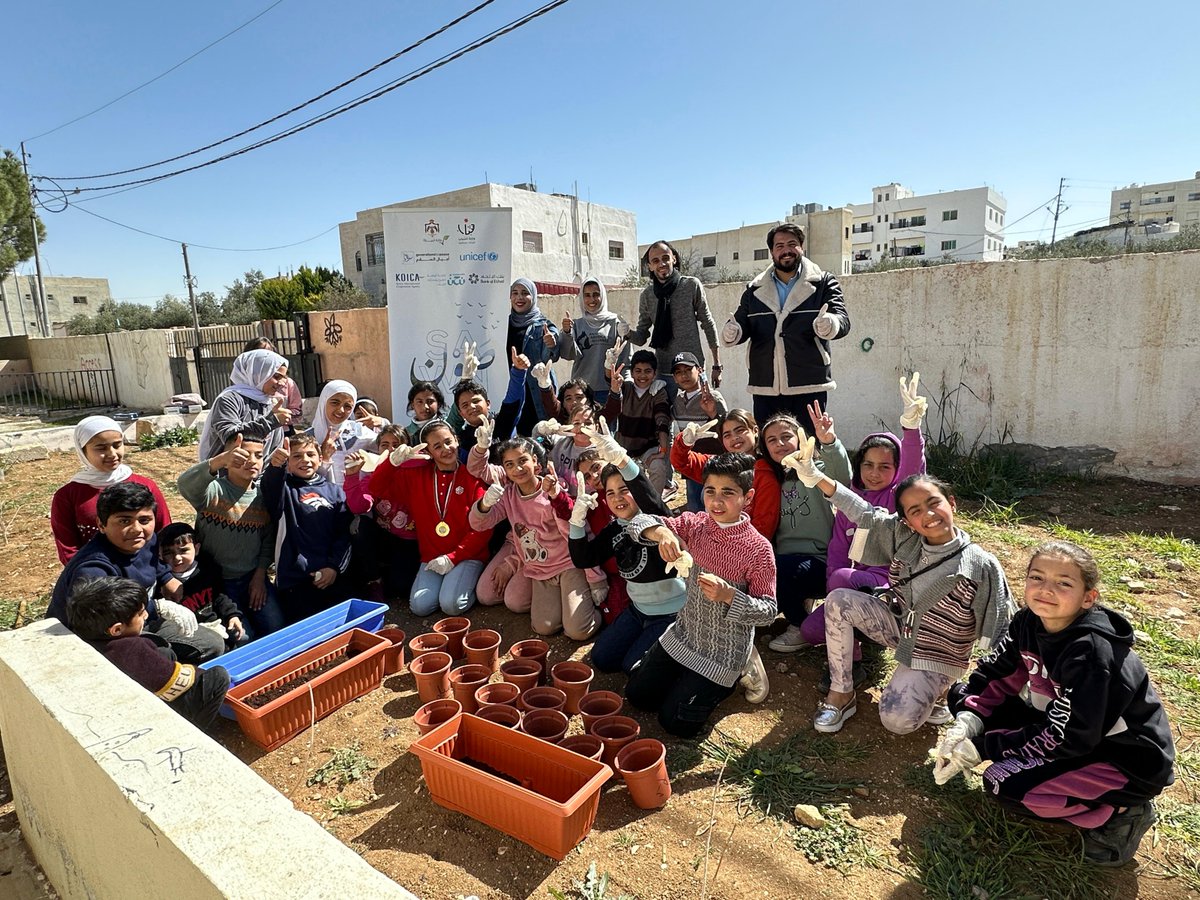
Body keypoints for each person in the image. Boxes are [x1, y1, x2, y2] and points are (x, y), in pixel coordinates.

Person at [934, 541, 1175, 868]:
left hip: (1122, 756)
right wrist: (968, 722)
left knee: (1003, 784)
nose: (1046, 589)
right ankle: (1050, 771)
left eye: (1063, 583)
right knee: (963, 696)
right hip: (1065, 724)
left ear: (1088, 597)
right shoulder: (1027, 622)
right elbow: (996, 674)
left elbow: (1070, 736)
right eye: (1037, 577)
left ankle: (1121, 810)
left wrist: (983, 747)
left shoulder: (1090, 654)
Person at [785, 442, 1014, 735]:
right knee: (839, 600)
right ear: (906, 520)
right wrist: (818, 478)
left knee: (896, 721)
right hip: (900, 628)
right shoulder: (905, 537)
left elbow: (1003, 633)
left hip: (938, 652)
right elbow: (863, 512)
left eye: (934, 503)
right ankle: (842, 692)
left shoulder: (980, 565)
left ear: (952, 503)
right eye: (916, 510)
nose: (928, 514)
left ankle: (942, 688)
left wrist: (985, 704)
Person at [622, 453, 776, 735]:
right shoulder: (697, 524)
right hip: (684, 634)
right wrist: (662, 534)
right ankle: (683, 678)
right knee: (638, 697)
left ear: (748, 497)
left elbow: (768, 611)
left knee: (676, 724)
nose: (716, 502)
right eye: (710, 491)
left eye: (727, 493)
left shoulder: (759, 549)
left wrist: (730, 595)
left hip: (723, 653)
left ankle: (738, 671)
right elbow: (637, 524)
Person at [801, 375, 928, 678]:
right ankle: (859, 631)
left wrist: (912, 429)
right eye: (868, 465)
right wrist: (834, 583)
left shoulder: (901, 497)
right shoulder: (851, 500)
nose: (874, 473)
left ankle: (853, 658)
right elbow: (837, 551)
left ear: (896, 470)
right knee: (809, 632)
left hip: (889, 589)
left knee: (844, 578)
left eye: (885, 466)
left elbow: (914, 467)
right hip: (847, 586)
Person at [48, 482, 225, 663]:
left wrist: (166, 578)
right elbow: (104, 618)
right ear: (101, 525)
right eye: (124, 521)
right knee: (161, 655)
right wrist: (158, 608)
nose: (137, 529)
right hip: (101, 636)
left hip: (140, 617)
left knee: (212, 644)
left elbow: (153, 562)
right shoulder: (93, 570)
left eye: (144, 520)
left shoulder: (145, 540)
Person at [720, 224, 849, 431]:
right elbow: (741, 322)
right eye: (779, 246)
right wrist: (732, 332)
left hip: (808, 384)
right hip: (765, 386)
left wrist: (831, 323)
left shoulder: (824, 282)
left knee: (808, 447)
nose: (786, 250)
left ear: (802, 248)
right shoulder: (754, 289)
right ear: (772, 252)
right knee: (770, 451)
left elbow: (842, 319)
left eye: (792, 244)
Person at [468, 437, 599, 641]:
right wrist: (484, 504)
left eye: (522, 461)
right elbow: (479, 524)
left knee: (577, 631)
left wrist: (594, 575)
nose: (517, 469)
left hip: (567, 564)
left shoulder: (553, 489)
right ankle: (565, 606)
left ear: (536, 463)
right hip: (540, 570)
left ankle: (598, 613)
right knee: (543, 627)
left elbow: (573, 531)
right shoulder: (509, 495)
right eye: (509, 464)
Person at [67, 577, 230, 732]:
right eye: (140, 614)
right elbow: (181, 681)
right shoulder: (133, 649)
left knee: (164, 653)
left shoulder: (89, 638)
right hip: (145, 717)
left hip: (120, 704)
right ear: (117, 629)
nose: (146, 616)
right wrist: (201, 674)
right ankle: (195, 728)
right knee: (218, 677)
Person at [569, 457, 683, 675]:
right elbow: (584, 558)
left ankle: (685, 648)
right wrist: (576, 522)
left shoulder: (658, 517)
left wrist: (620, 457)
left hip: (672, 614)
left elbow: (649, 498)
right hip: (638, 611)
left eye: (625, 489)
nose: (617, 498)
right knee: (602, 658)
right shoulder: (614, 529)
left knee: (634, 669)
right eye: (610, 493)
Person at [751, 405, 851, 653]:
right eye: (772, 439)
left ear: (801, 438)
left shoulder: (814, 470)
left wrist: (829, 442)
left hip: (820, 562)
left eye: (786, 436)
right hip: (786, 558)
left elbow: (843, 479)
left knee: (777, 571)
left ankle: (802, 626)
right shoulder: (772, 480)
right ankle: (795, 603)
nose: (780, 443)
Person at [367, 420, 491, 617]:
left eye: (449, 442)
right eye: (437, 446)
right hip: (432, 558)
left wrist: (453, 558)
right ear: (429, 452)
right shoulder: (416, 476)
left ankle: (470, 582)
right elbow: (376, 488)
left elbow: (483, 527)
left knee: (451, 605)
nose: (446, 450)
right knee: (420, 606)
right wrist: (391, 464)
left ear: (457, 441)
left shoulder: (471, 476)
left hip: (467, 556)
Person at [176, 433, 283, 637]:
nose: (252, 461)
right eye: (243, 455)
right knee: (242, 637)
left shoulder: (263, 497)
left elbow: (268, 541)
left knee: (275, 625)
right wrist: (219, 461)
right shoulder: (213, 491)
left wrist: (260, 576)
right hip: (217, 583)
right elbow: (185, 484)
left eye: (258, 456)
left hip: (252, 577)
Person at [51, 415, 172, 565]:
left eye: (117, 445)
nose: (112, 454)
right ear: (83, 450)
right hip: (98, 576)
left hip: (147, 569)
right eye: (101, 448)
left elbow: (164, 530)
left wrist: (161, 571)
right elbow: (67, 547)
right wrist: (89, 575)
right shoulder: (68, 496)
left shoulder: (146, 486)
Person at [260, 434, 353, 624]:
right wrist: (275, 467)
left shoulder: (334, 491)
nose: (305, 460)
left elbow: (343, 534)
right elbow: (270, 489)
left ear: (320, 459)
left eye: (311, 454)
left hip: (330, 574)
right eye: (297, 456)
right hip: (295, 580)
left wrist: (333, 567)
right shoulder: (284, 489)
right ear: (288, 462)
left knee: (342, 627)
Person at [626, 241, 722, 388]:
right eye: (655, 261)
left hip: (693, 369)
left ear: (674, 259)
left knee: (701, 410)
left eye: (665, 258)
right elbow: (641, 338)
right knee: (665, 412)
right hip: (664, 371)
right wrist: (626, 333)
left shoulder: (691, 285)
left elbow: (708, 323)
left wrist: (717, 365)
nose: (662, 263)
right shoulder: (647, 295)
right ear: (650, 266)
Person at [158, 522, 243, 648]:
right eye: (168, 553)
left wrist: (232, 615)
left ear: (196, 549)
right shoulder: (162, 582)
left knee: (241, 639)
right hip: (189, 634)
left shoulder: (207, 570)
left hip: (215, 624)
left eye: (183, 550)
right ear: (160, 555)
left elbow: (219, 597)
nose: (177, 558)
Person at [198, 348, 291, 461]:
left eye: (283, 378)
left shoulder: (269, 403)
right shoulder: (230, 399)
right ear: (258, 373)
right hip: (227, 475)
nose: (281, 383)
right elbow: (231, 437)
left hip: (259, 476)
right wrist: (271, 421)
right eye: (276, 377)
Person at [605, 349, 671, 494]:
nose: (642, 375)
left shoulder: (658, 392)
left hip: (648, 447)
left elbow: (663, 422)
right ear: (632, 372)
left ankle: (654, 507)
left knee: (658, 467)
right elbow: (610, 379)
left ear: (654, 373)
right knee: (616, 477)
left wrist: (663, 451)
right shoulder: (626, 388)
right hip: (624, 446)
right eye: (638, 371)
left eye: (647, 371)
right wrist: (609, 363)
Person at [669, 352, 727, 511]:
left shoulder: (713, 397)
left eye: (688, 370)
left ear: (699, 370)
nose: (684, 375)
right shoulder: (678, 401)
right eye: (679, 372)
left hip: (713, 465)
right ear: (674, 378)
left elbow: (726, 429)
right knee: (695, 507)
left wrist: (713, 413)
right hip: (690, 465)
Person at [558, 277, 628, 404]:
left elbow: (626, 359)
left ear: (602, 295)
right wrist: (567, 333)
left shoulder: (615, 323)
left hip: (608, 390)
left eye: (596, 294)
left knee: (606, 424)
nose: (591, 300)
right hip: (581, 391)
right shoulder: (576, 325)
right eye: (587, 295)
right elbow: (568, 354)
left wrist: (627, 386)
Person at [506, 278, 561, 433]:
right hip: (510, 389)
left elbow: (553, 354)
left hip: (533, 394)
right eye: (515, 293)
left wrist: (551, 343)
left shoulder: (543, 325)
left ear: (534, 297)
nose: (519, 298)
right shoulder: (502, 324)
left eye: (525, 293)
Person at [309, 379, 378, 485]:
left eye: (347, 406)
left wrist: (382, 423)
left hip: (354, 498)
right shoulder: (307, 438)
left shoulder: (358, 431)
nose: (341, 410)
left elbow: (389, 448)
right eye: (335, 403)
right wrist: (325, 456)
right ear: (324, 401)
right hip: (324, 498)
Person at [242, 337, 301, 422]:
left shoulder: (286, 383)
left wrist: (282, 416)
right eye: (261, 353)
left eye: (270, 353)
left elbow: (297, 412)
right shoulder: (242, 386)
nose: (279, 383)